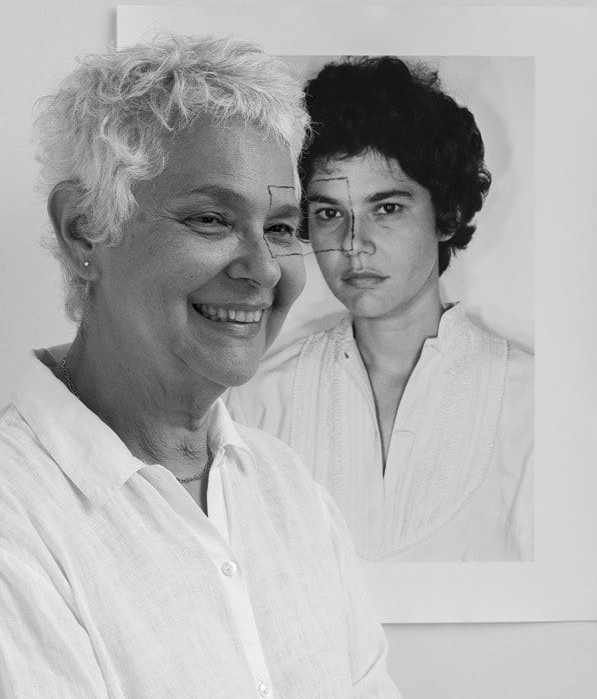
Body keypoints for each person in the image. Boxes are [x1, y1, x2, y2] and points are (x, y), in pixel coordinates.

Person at [0, 37, 400, 698]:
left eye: (279, 227)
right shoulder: (19, 517)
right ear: (84, 229)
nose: (265, 269)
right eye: (212, 218)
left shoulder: (287, 491)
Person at [227, 56, 534, 563]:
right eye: (329, 213)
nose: (353, 243)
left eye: (386, 209)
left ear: (447, 215)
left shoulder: (534, 401)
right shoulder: (257, 400)